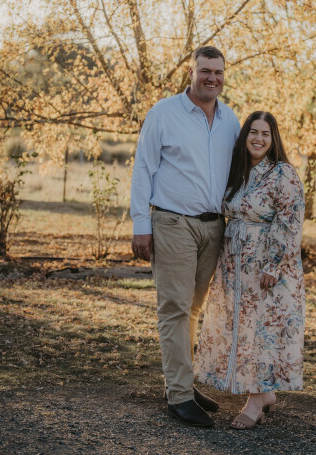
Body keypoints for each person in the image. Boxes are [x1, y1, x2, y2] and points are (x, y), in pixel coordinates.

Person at [130, 45, 240, 427]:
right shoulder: (163, 113)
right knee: (175, 308)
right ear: (191, 72)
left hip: (214, 226)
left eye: (218, 72)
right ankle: (178, 396)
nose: (212, 78)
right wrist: (141, 224)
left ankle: (182, 383)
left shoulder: (230, 120)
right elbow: (143, 169)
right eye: (205, 70)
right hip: (173, 223)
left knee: (193, 309)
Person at [194, 111, 305, 430]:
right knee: (242, 328)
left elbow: (290, 221)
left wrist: (273, 265)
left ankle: (255, 401)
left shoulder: (283, 173)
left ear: (273, 139)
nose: (258, 138)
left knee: (261, 331)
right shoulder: (237, 171)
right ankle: (265, 393)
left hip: (266, 265)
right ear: (245, 137)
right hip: (234, 264)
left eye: (265, 134)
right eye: (253, 132)